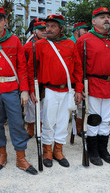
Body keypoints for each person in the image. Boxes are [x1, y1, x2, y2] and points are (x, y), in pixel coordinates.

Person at [0, 7, 37, 175]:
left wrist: (24, 90)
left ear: (5, 22)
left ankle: (20, 157)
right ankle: (1, 154)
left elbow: (22, 68)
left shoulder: (15, 41)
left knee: (17, 123)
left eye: (0, 20)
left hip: (11, 89)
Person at [28, 15, 83, 168]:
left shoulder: (70, 45)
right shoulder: (39, 45)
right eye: (47, 26)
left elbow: (78, 68)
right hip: (49, 90)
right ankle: (47, 151)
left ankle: (58, 150)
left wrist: (78, 89)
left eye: (53, 26)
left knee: (62, 122)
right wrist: (32, 90)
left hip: (67, 91)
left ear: (61, 28)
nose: (49, 29)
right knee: (48, 122)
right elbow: (31, 69)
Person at [76, 7, 110, 166]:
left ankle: (103, 150)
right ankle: (92, 151)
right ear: (93, 21)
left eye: (107, 17)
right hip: (93, 85)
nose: (106, 19)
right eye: (102, 17)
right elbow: (77, 67)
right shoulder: (84, 40)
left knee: (106, 119)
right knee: (93, 119)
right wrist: (79, 88)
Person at [23, 18, 47, 138]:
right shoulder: (28, 46)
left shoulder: (50, 44)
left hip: (47, 80)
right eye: (41, 30)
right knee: (31, 106)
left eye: (45, 29)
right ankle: (30, 128)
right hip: (32, 79)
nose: (44, 32)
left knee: (44, 106)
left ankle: (42, 128)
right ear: (35, 31)